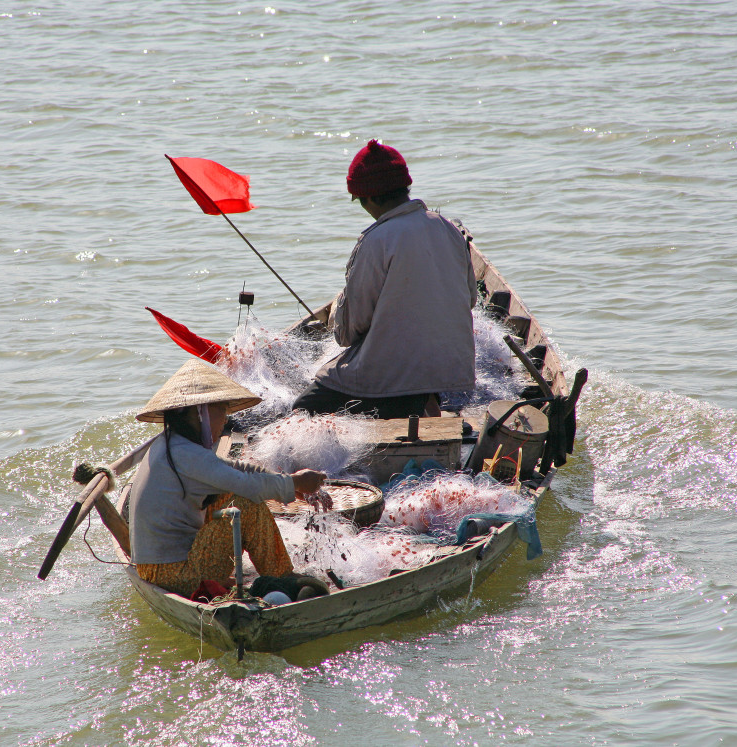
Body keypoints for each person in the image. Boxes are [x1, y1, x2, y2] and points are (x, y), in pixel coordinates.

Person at [292, 139, 478, 419]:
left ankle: (408, 403)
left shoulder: (375, 240)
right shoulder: (449, 229)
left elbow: (348, 333)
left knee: (303, 410)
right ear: (405, 188)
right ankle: (424, 403)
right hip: (450, 374)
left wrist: (339, 310)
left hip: (393, 380)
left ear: (368, 198)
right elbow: (470, 299)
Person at [127, 359, 330, 598]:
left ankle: (262, 573)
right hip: (173, 574)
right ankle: (281, 575)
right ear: (200, 412)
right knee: (247, 504)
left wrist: (287, 481)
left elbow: (235, 470)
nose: (226, 419)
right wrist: (295, 483)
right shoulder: (186, 453)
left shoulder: (173, 444)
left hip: (157, 568)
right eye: (221, 410)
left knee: (231, 493)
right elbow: (247, 487)